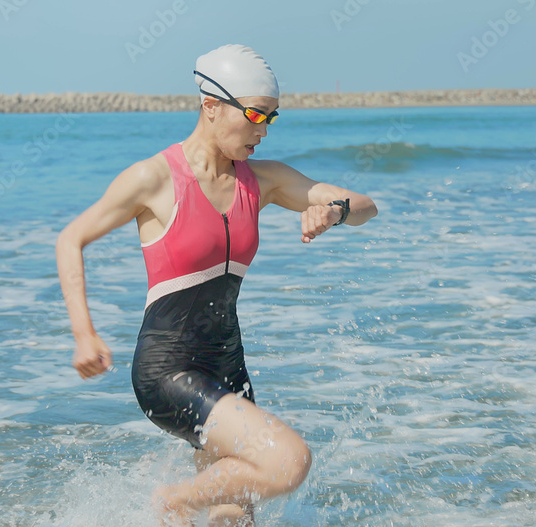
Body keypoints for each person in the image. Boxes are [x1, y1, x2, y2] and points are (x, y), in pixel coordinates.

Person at [55, 44, 377, 526]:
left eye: (271, 117)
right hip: (168, 371)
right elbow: (71, 238)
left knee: (233, 516)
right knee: (289, 461)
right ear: (210, 105)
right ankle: (174, 500)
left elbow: (367, 207)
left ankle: (184, 508)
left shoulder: (262, 181)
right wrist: (84, 333)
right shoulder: (154, 178)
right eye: (253, 115)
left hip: (227, 367)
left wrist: (334, 210)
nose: (263, 130)